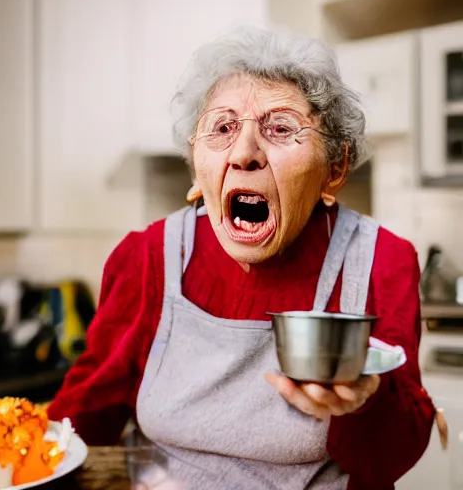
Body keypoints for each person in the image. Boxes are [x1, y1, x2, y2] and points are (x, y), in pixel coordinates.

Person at [48, 25, 436, 489]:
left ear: (335, 171)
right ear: (196, 165)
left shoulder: (380, 260)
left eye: (280, 128)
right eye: (223, 128)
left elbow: (394, 455)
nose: (244, 153)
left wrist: (365, 401)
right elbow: (86, 410)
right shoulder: (147, 256)